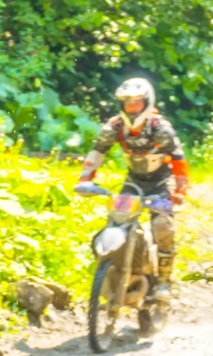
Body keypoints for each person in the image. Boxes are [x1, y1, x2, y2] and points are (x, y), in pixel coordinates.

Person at [78, 78, 189, 297]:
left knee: (162, 227)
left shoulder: (160, 128)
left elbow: (178, 159)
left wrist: (180, 191)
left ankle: (164, 282)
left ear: (147, 102)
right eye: (127, 103)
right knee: (117, 221)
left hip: (161, 183)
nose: (131, 108)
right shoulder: (114, 127)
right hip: (133, 182)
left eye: (136, 103)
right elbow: (97, 152)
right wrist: (85, 179)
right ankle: (117, 269)